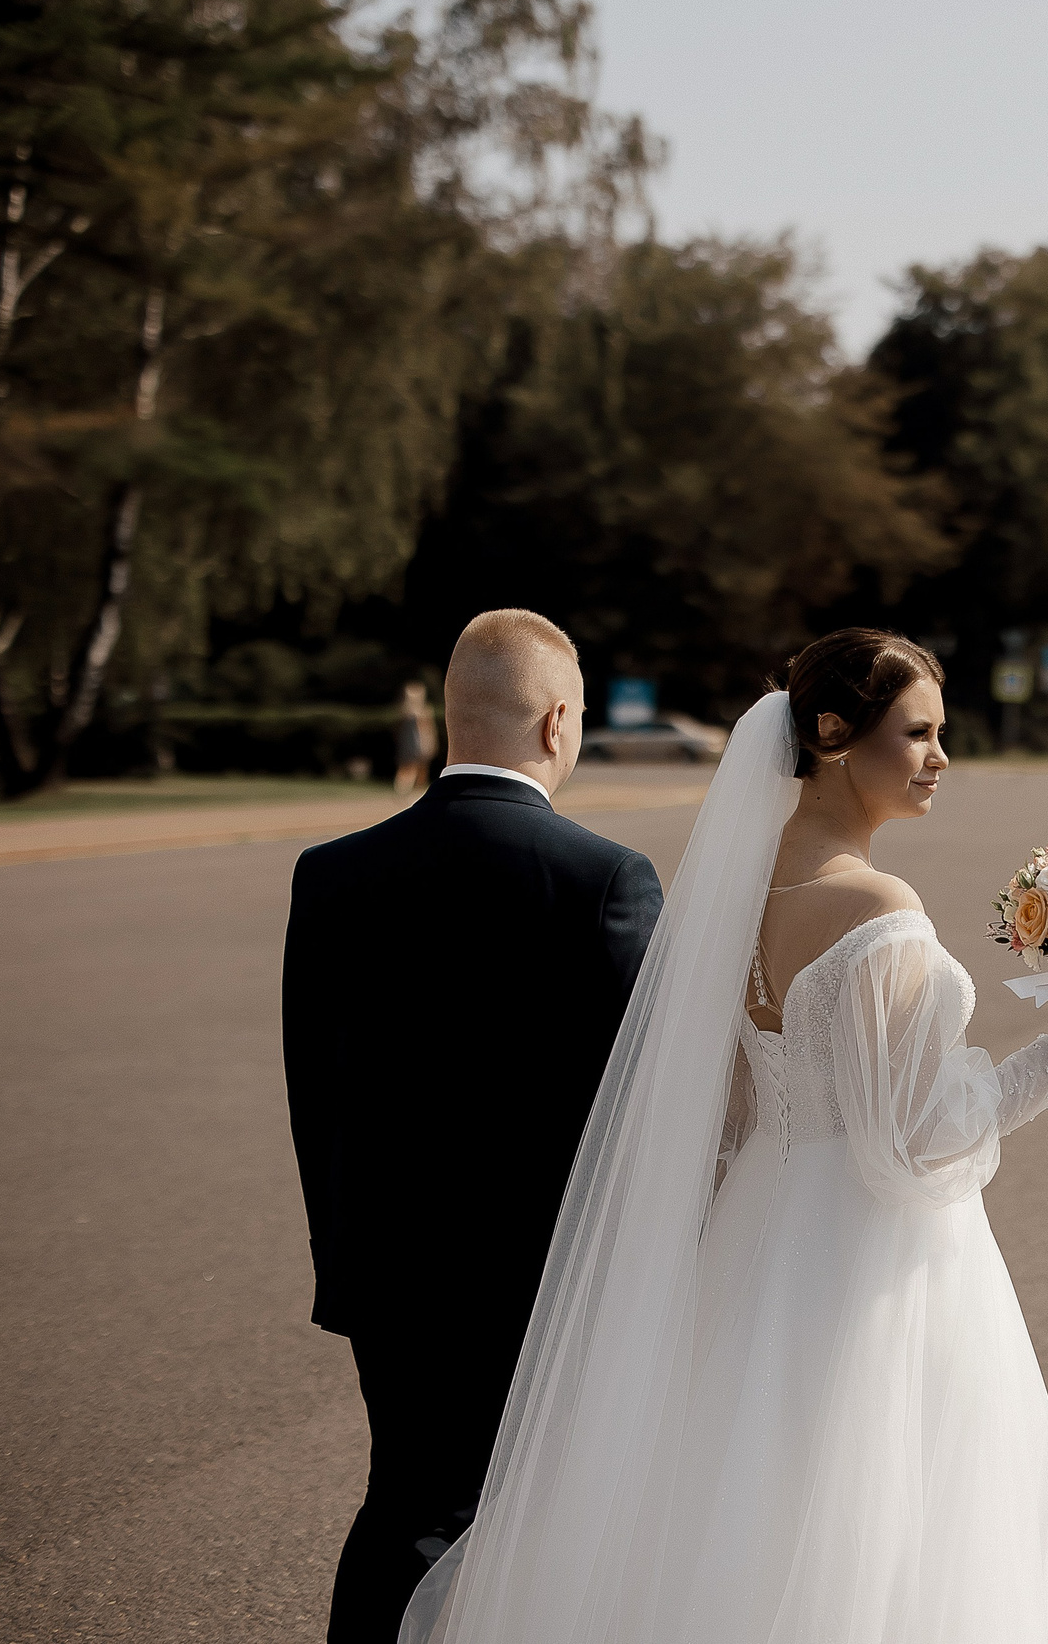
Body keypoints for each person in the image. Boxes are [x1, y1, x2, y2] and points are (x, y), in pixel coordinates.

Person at [396, 628, 1048, 1644]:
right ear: (833, 734)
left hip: (755, 1229)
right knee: (882, 1523)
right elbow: (919, 1146)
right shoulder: (881, 909)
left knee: (733, 1500)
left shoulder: (733, 899)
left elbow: (738, 1112)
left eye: (942, 735)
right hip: (870, 1263)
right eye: (916, 733)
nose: (939, 759)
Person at [283, 609, 664, 1644]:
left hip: (386, 1268)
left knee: (408, 1508)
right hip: (541, 1279)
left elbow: (312, 1090)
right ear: (554, 724)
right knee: (529, 1516)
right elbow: (643, 1094)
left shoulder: (332, 873)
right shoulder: (604, 880)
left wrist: (341, 1253)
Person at [391, 682, 438, 797]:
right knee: (413, 766)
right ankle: (408, 790)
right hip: (415, 742)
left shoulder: (412, 711)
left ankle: (411, 790)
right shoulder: (411, 711)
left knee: (416, 767)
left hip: (416, 741)